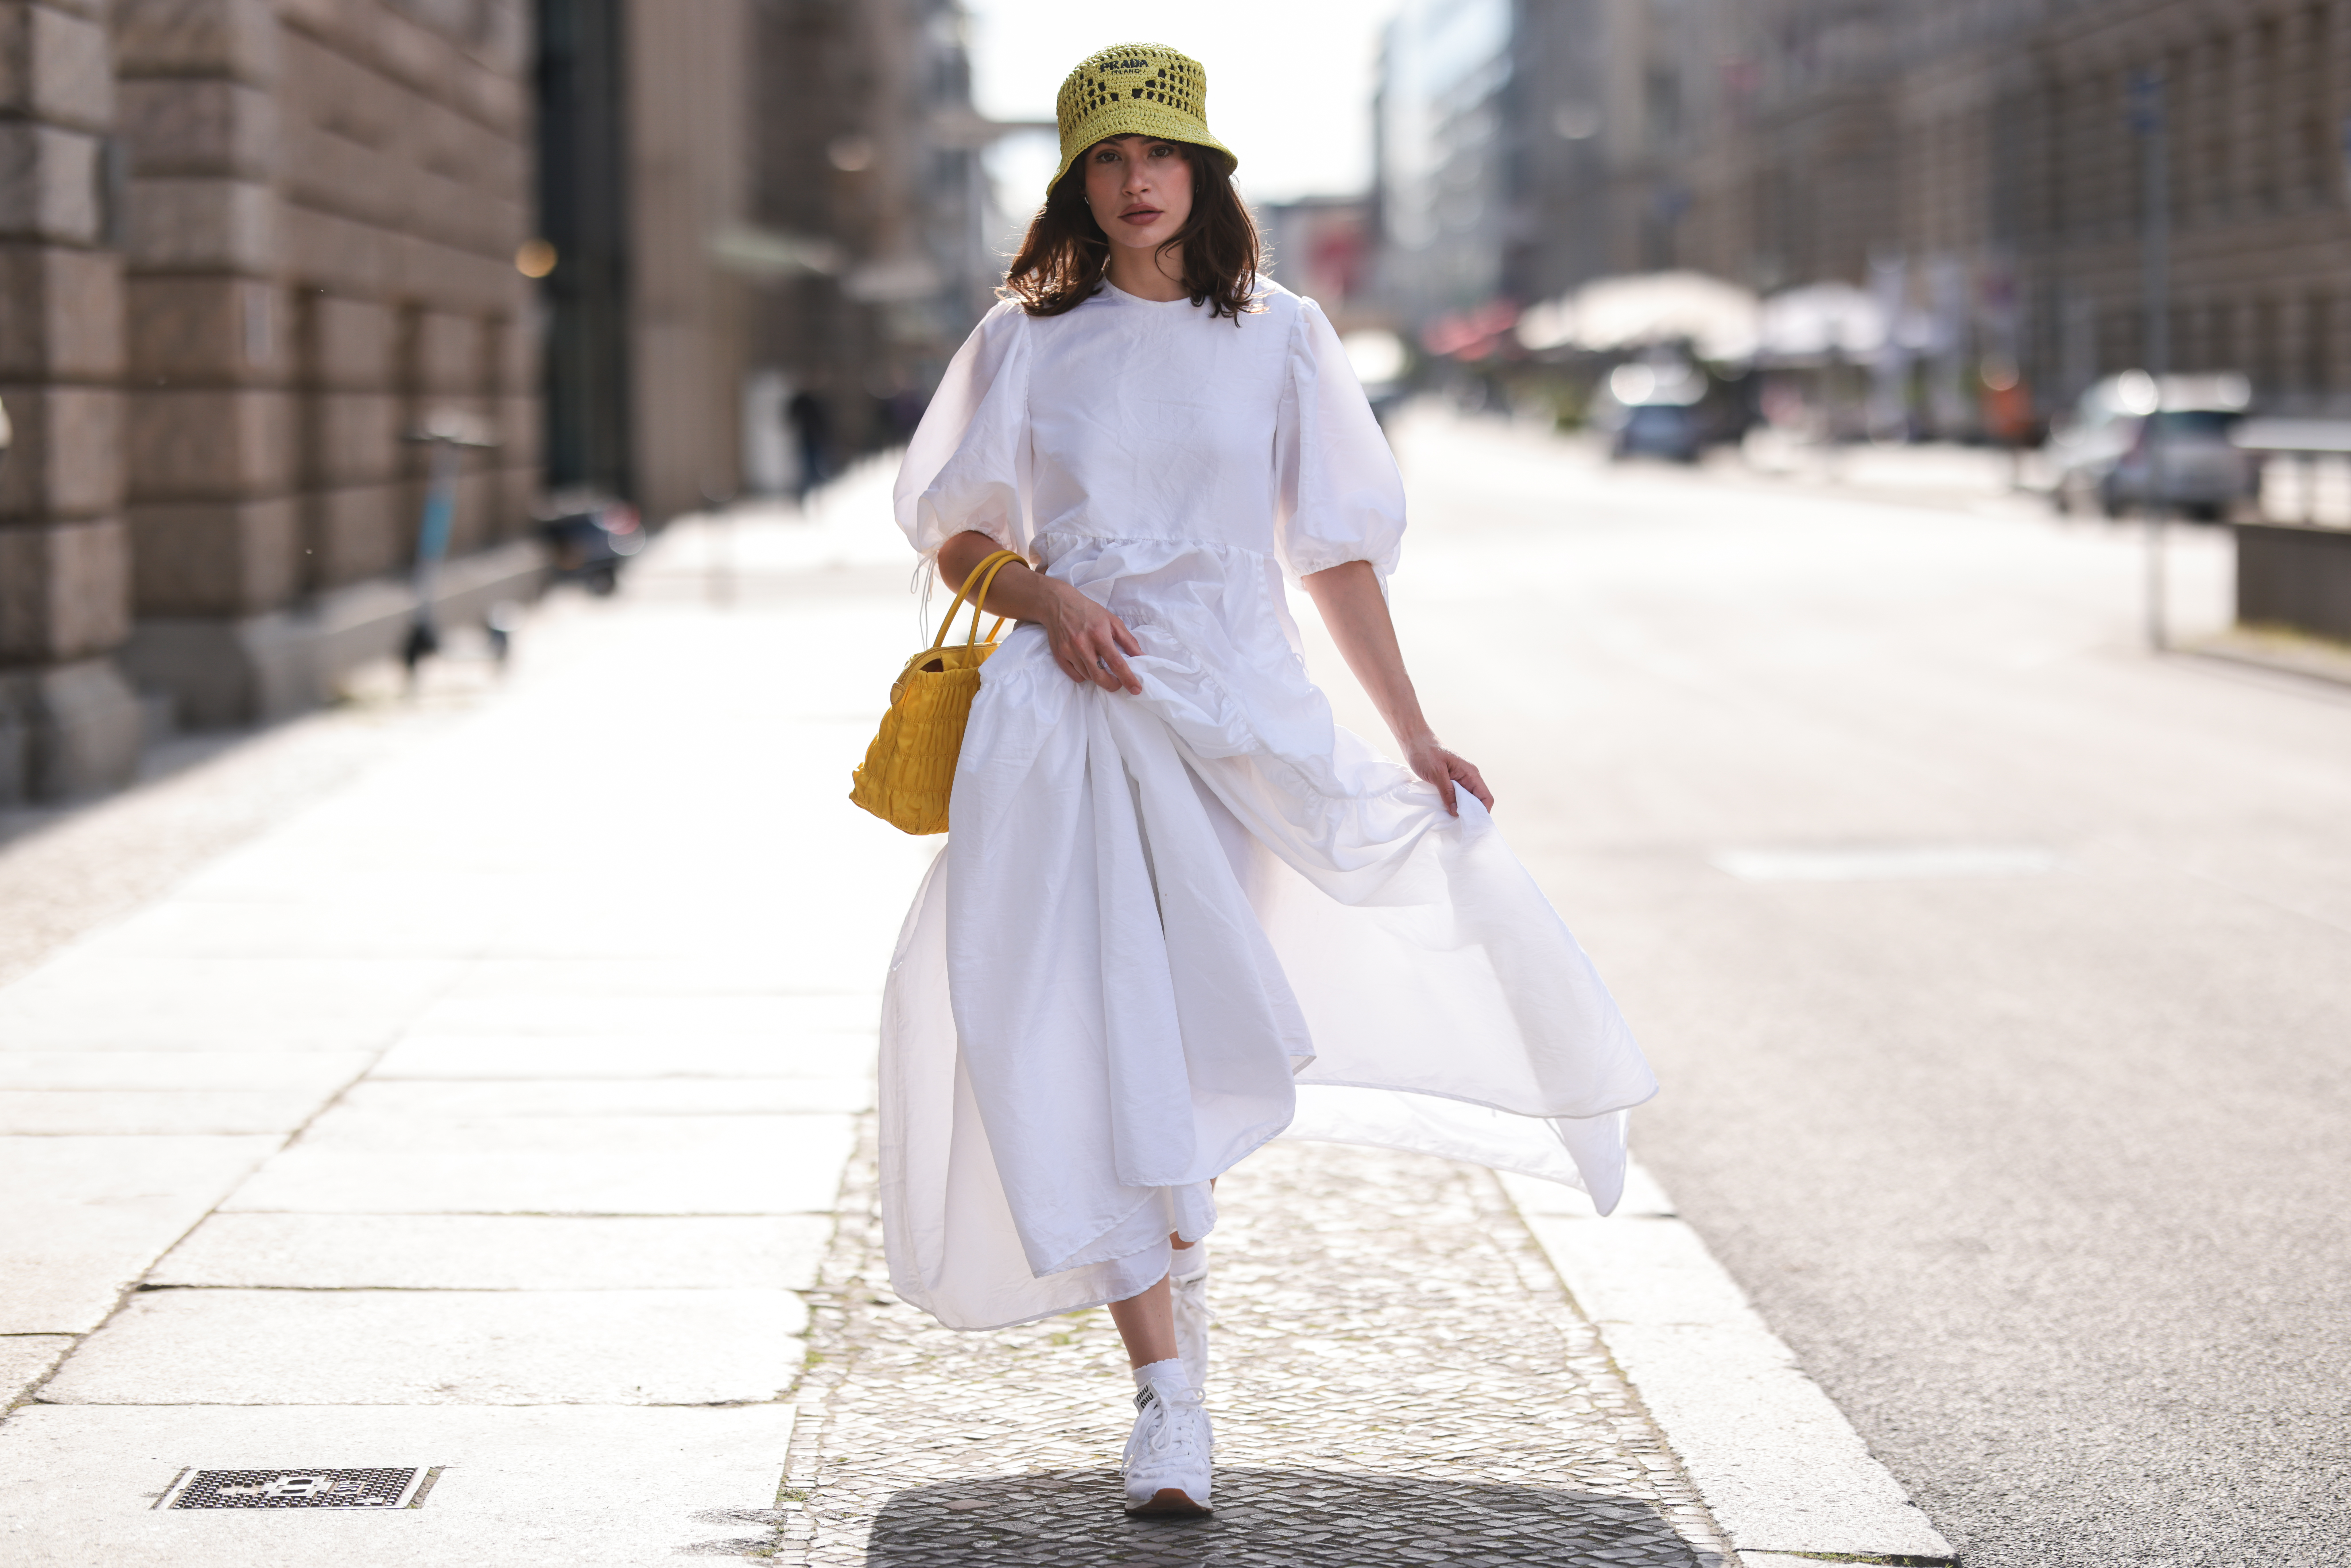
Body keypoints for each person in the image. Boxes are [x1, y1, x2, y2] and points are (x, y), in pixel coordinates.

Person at [881, 42, 1657, 1518]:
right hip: (1066, 721)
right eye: (1106, 159)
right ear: (1076, 183)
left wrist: (1414, 733)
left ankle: (1171, 1267)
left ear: (1205, 173)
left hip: (1236, 715)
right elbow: (958, 535)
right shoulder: (1025, 342)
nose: (1136, 182)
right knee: (1081, 1035)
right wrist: (1045, 601)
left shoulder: (1284, 335)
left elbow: (1335, 552)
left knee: (1173, 1040)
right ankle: (1165, 1393)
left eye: (1159, 155)